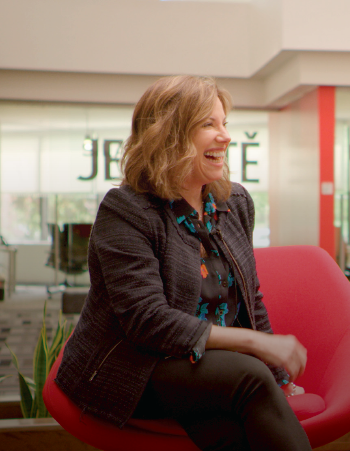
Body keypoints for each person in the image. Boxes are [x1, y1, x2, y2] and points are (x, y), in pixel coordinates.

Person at [55, 75, 312, 451]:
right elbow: (148, 321)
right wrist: (258, 348)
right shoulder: (127, 210)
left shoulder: (234, 202)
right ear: (168, 136)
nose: (224, 136)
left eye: (225, 124)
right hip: (136, 366)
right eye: (208, 124)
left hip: (209, 367)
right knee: (248, 377)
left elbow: (248, 298)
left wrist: (278, 374)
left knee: (231, 424)